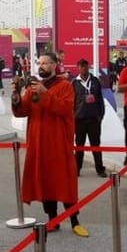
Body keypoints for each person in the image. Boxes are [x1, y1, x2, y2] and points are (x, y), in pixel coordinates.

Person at [11, 52, 88, 237]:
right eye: (39, 63)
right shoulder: (33, 88)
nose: (41, 66)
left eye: (45, 63)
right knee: (46, 183)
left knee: (66, 183)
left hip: (59, 144)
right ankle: (53, 220)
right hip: (39, 145)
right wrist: (16, 96)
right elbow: (22, 111)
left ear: (55, 65)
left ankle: (75, 221)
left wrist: (45, 94)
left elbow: (64, 109)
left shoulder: (65, 86)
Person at [72, 58, 106, 178]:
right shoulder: (74, 83)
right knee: (79, 146)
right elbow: (72, 102)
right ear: (78, 68)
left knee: (96, 145)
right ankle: (76, 169)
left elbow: (100, 99)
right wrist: (73, 117)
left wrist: (100, 115)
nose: (84, 69)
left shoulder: (95, 81)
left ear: (88, 67)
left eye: (85, 66)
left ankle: (100, 169)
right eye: (81, 67)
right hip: (79, 119)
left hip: (93, 119)